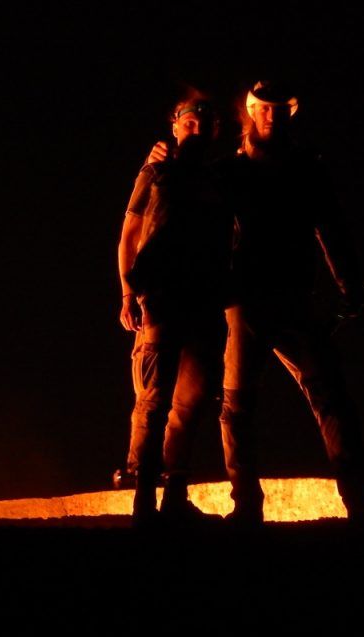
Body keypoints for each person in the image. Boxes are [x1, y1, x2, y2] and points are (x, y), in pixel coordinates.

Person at [147, 80, 364, 527]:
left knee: (327, 398)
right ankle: (249, 506)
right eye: (267, 110)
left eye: (281, 111)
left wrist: (348, 286)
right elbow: (184, 213)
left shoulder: (300, 169)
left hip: (290, 298)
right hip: (244, 302)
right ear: (251, 112)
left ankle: (360, 505)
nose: (274, 118)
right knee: (240, 406)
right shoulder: (234, 173)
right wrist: (159, 165)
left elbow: (330, 227)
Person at [115, 97, 231, 527]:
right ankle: (144, 498)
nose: (196, 129)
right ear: (175, 126)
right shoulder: (156, 170)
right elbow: (128, 233)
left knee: (191, 402)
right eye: (189, 122)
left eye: (204, 123)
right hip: (162, 297)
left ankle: (174, 495)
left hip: (205, 300)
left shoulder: (221, 177)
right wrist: (128, 294)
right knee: (153, 399)